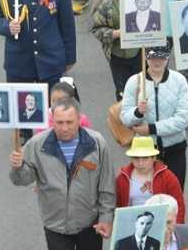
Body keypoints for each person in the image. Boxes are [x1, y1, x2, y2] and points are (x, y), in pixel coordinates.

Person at [9, 100, 116, 250]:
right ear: (52, 120)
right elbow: (22, 180)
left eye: (69, 122)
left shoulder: (97, 143)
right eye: (59, 122)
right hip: (55, 226)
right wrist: (18, 168)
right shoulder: (36, 145)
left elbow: (107, 184)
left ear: (79, 119)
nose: (64, 128)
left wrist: (106, 217)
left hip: (90, 223)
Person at [118, 42, 188, 187]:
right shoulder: (134, 82)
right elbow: (125, 118)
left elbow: (184, 118)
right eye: (152, 57)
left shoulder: (179, 81)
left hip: (175, 148)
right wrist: (138, 112)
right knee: (147, 196)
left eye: (162, 57)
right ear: (146, 57)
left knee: (174, 195)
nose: (157, 61)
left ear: (168, 57)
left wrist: (151, 129)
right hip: (144, 152)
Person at [114, 136, 186, 227]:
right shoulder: (122, 178)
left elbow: (179, 205)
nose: (140, 163)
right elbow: (117, 206)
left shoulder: (168, 177)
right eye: (136, 158)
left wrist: (176, 228)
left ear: (154, 158)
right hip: (132, 225)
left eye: (145, 158)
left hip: (160, 225)